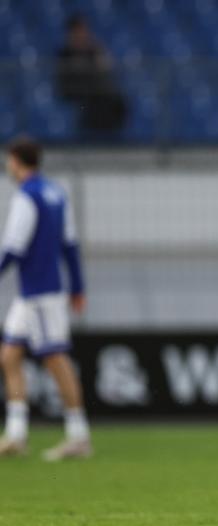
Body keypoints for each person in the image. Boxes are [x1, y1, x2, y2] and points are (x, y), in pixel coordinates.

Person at [0, 137, 91, 460]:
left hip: (39, 292)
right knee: (9, 355)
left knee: (55, 359)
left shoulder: (28, 196)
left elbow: (13, 246)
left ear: (15, 160)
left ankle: (79, 435)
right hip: (36, 292)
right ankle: (16, 433)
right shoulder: (56, 193)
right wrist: (78, 287)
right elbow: (70, 244)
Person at [55, 15, 128, 136]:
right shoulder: (64, 53)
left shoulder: (93, 50)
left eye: (84, 30)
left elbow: (107, 67)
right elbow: (63, 80)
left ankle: (111, 138)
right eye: (78, 30)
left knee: (116, 100)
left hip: (96, 92)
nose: (82, 34)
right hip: (75, 94)